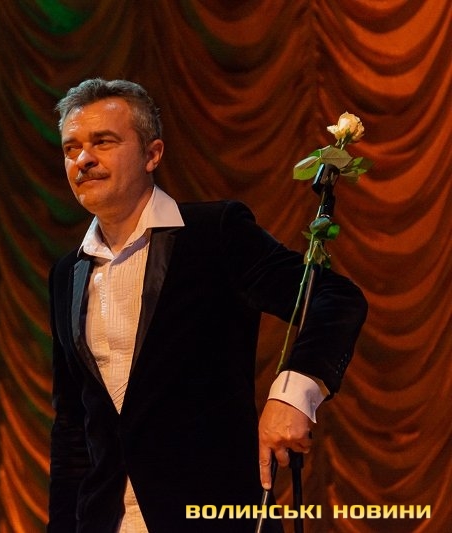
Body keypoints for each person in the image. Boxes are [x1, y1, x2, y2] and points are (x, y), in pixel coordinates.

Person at [47, 79, 367, 532]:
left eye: (103, 142)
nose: (83, 159)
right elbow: (72, 427)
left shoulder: (213, 233)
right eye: (71, 148)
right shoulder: (68, 273)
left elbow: (334, 298)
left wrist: (293, 395)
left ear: (152, 154)